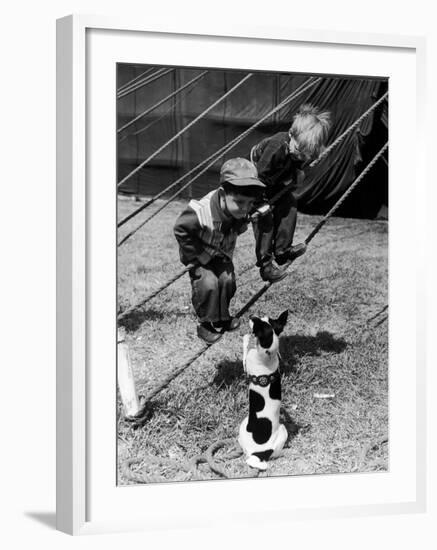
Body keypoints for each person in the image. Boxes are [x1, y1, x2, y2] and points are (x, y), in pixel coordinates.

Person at [174, 158, 265, 344]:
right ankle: (205, 324)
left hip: (221, 253)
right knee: (208, 283)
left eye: (250, 203)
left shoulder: (240, 208)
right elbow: (181, 229)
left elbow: (251, 212)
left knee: (227, 281)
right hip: (200, 255)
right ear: (223, 194)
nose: (245, 208)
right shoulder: (200, 212)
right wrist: (199, 254)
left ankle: (222, 317)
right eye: (240, 202)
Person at [250, 103, 332, 282]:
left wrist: (297, 172)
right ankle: (266, 266)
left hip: (273, 182)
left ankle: (282, 251)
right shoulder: (277, 146)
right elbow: (257, 177)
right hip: (254, 185)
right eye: (300, 152)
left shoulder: (297, 150)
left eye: (306, 155)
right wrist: (259, 203)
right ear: (292, 135)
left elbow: (294, 163)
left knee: (289, 203)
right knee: (265, 219)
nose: (301, 157)